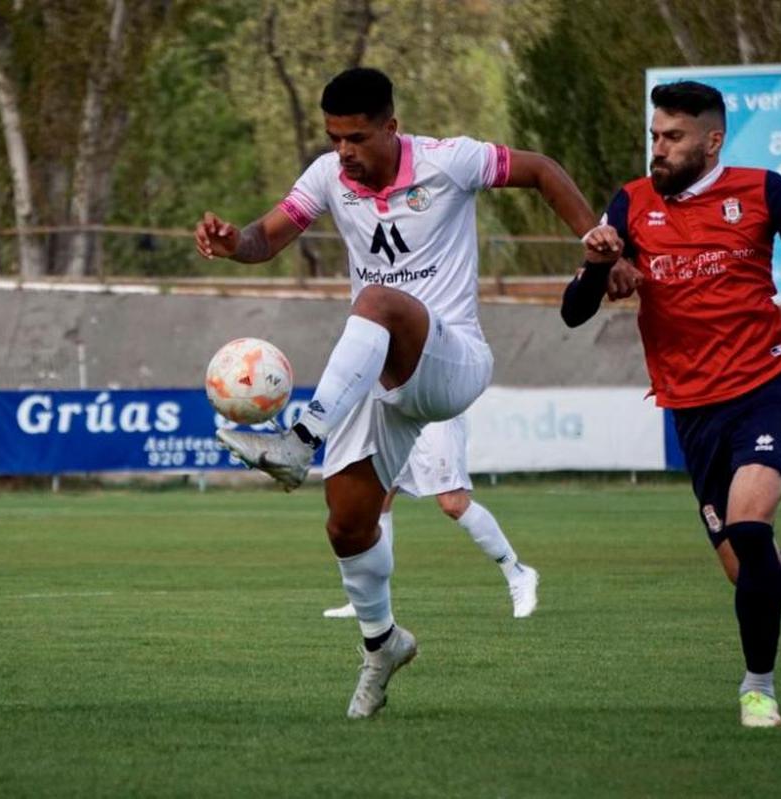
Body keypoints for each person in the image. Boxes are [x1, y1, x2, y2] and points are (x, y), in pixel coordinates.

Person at [195, 68, 615, 718]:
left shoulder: (451, 162)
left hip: (452, 361)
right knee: (348, 521)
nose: (344, 152)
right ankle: (383, 642)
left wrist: (593, 241)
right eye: (334, 138)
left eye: (357, 137)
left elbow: (539, 168)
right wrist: (232, 243)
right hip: (380, 378)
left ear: (391, 126)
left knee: (377, 300)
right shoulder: (328, 176)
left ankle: (297, 440)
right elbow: (267, 236)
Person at [561, 80, 781, 729]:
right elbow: (574, 313)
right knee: (751, 571)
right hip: (692, 409)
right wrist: (596, 266)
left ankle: (758, 688)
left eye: (673, 137)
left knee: (751, 528)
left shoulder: (763, 190)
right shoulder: (630, 205)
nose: (658, 148)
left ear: (712, 141)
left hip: (762, 388)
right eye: (655, 136)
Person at [322, 416, 539, 620]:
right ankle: (366, 598)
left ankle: (517, 573)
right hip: (396, 411)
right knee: (378, 499)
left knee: (453, 502)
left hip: (435, 412)